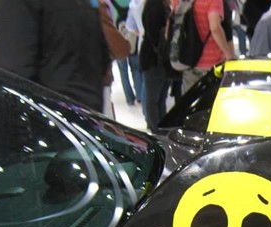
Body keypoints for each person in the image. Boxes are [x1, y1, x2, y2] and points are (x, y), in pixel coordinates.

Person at [0, 0, 111, 112]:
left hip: (47, 114)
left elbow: (11, 75)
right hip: (89, 112)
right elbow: (103, 57)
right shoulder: (86, 3)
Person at [175, 0, 235, 93]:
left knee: (192, 97)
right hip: (212, 64)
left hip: (190, 61)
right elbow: (215, 28)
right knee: (211, 99)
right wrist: (228, 53)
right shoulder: (214, 1)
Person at [140, 0, 174, 132]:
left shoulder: (160, 5)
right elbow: (154, 35)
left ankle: (160, 130)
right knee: (153, 100)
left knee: (159, 99)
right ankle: (156, 131)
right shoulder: (154, 6)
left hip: (160, 60)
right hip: (155, 60)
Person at [99, 0, 133, 118]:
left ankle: (130, 97)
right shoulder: (96, 7)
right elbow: (120, 48)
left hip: (56, 87)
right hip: (94, 83)